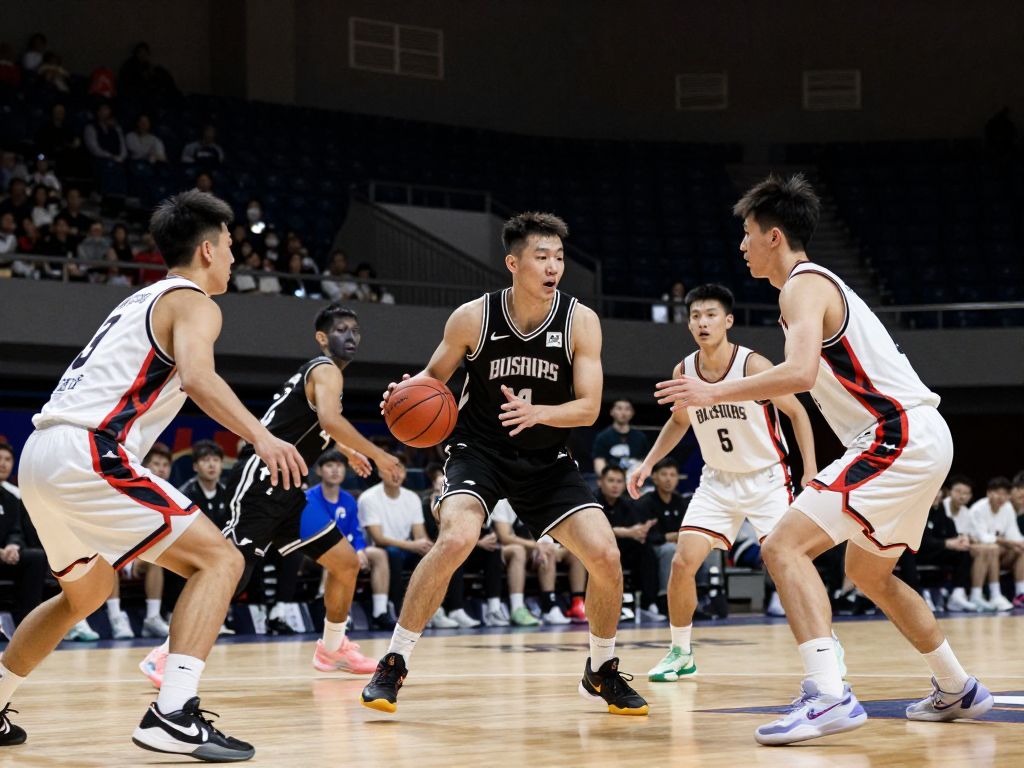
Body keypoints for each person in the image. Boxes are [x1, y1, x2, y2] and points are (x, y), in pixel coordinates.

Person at [654, 174, 992, 744]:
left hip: (896, 432)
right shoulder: (811, 289)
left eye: (746, 233)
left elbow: (800, 374)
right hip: (915, 434)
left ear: (774, 237)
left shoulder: (803, 285)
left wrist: (712, 393)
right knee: (867, 573)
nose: (741, 244)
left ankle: (828, 694)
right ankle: (958, 686)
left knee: (782, 545)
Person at [0, 190, 308, 759]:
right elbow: (197, 377)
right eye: (233, 247)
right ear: (209, 250)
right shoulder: (194, 301)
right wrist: (261, 436)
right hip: (88, 449)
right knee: (221, 559)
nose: (236, 259)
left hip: (43, 451)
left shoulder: (142, 297)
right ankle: (172, 714)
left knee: (83, 594)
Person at [360, 211, 648, 716]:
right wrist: (405, 394)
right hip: (480, 451)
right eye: (541, 256)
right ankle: (394, 662)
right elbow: (433, 378)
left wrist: (540, 413)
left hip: (547, 458)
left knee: (605, 555)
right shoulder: (474, 317)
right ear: (513, 262)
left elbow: (589, 407)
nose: (553, 265)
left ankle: (600, 669)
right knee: (456, 539)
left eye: (559, 257)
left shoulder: (581, 321)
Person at [628, 282, 817, 683]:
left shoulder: (753, 366)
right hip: (716, 482)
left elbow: (798, 414)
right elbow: (679, 422)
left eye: (710, 314)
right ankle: (681, 653)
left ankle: (824, 647)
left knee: (788, 566)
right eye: (695, 315)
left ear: (728, 321)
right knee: (682, 562)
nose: (702, 322)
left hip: (768, 478)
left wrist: (809, 469)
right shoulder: (685, 371)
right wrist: (647, 464)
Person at [305, 450, 395, 631]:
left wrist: (360, 549)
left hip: (345, 549)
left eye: (339, 466)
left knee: (378, 554)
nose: (335, 470)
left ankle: (380, 612)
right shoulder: (310, 497)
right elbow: (315, 533)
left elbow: (356, 530)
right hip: (313, 552)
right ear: (319, 471)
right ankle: (327, 608)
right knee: (334, 555)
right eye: (329, 465)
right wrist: (350, 550)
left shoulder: (349, 499)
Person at [358, 457, 434, 618]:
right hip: (378, 550)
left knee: (434, 556)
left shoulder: (412, 497)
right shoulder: (369, 498)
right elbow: (379, 538)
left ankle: (435, 609)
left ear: (405, 473)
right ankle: (396, 607)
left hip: (406, 548)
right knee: (392, 553)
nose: (396, 474)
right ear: (380, 472)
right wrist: (413, 545)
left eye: (399, 469)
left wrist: (429, 548)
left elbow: (420, 535)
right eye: (390, 469)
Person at [491, 498, 586, 625]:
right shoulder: (503, 503)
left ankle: (577, 603)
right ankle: (534, 607)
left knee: (575, 552)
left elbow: (550, 535)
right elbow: (505, 537)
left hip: (537, 551)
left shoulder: (540, 501)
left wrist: (555, 547)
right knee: (522, 551)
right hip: (506, 551)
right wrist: (537, 546)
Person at [597, 465, 664, 622]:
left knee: (646, 550)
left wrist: (641, 532)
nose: (615, 485)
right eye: (611, 480)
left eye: (619, 481)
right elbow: (594, 532)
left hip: (623, 550)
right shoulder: (593, 501)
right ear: (600, 482)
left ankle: (650, 603)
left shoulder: (627, 504)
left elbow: (637, 530)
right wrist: (627, 532)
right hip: (600, 551)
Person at [631, 457, 689, 614]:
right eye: (664, 474)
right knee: (670, 549)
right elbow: (642, 535)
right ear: (654, 477)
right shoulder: (645, 503)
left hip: (680, 546)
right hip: (652, 549)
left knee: (705, 550)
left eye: (672, 475)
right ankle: (665, 598)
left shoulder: (682, 502)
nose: (668, 479)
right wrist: (666, 538)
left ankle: (706, 593)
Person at [0, 443, 48, 627]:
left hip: (6, 557)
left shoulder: (11, 497)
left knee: (36, 557)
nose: (3, 464)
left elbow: (16, 530)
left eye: (8, 460)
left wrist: (13, 546)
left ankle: (27, 625)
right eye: (0, 459)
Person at [941, 475, 998, 611]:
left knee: (986, 549)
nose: (962, 496)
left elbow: (971, 536)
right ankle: (967, 594)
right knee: (974, 551)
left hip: (959, 548)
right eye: (959, 492)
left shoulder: (966, 512)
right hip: (940, 547)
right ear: (950, 492)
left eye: (966, 493)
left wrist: (968, 540)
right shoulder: (941, 507)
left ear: (971, 496)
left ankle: (976, 594)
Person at [967, 476, 1024, 610]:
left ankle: (1020, 593)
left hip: (998, 552)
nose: (1001, 497)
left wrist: (1019, 543)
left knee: (1021, 550)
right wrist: (1007, 541)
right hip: (974, 552)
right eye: (998, 492)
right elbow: (982, 537)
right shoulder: (978, 509)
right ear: (989, 493)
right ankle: (990, 594)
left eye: (1005, 494)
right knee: (991, 548)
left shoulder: (1008, 508)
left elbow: (1013, 535)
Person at [591, 399, 649, 475]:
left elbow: (645, 461)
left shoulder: (641, 437)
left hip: (634, 477)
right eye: (619, 408)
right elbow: (599, 462)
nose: (623, 413)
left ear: (632, 413)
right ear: (611, 412)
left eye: (627, 409)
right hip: (612, 478)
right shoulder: (603, 437)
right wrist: (607, 478)